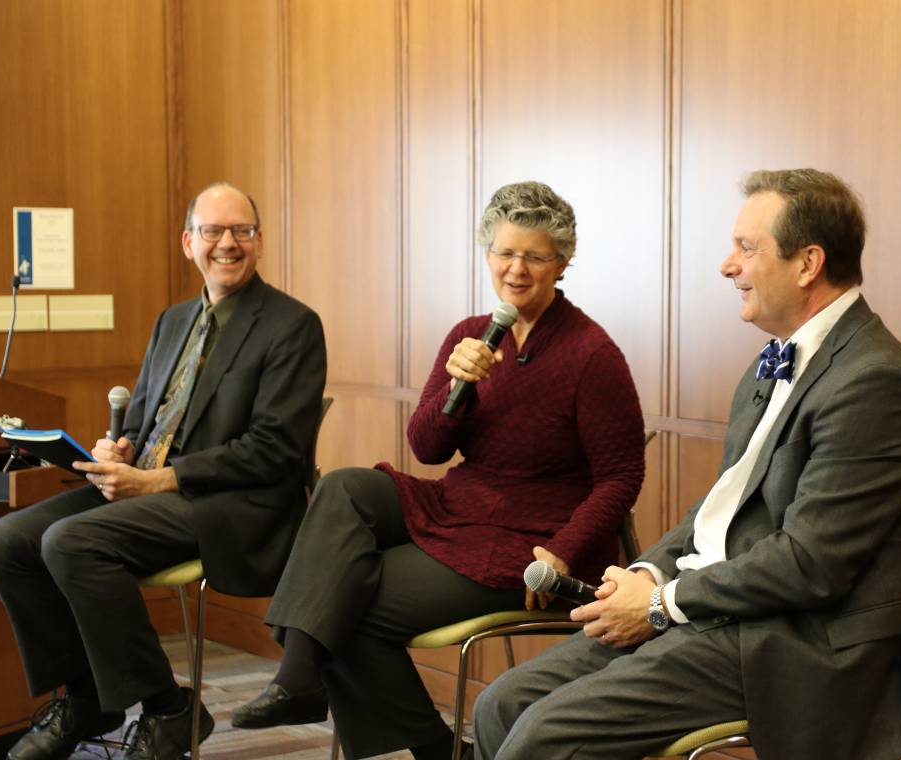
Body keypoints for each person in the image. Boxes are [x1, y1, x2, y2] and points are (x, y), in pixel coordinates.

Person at [472, 169, 901, 760]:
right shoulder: (774, 361)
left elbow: (811, 564)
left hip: (795, 641)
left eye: (747, 248)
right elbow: (721, 512)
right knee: (501, 705)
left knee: (545, 738)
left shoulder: (875, 381)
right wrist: (648, 574)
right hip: (716, 609)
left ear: (807, 264)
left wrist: (661, 603)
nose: (728, 265)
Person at [230, 181, 646, 760]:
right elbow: (425, 447)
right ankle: (303, 680)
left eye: (534, 256)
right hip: (462, 506)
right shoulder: (470, 334)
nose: (516, 269)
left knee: (347, 607)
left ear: (563, 262)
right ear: (486, 255)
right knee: (345, 486)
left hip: (531, 540)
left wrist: (563, 550)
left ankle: (428, 747)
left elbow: (621, 479)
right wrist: (458, 387)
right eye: (504, 252)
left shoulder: (592, 354)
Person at [0, 182, 328, 760]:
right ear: (187, 243)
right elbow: (144, 422)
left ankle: (168, 709)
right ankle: (89, 696)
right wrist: (117, 449)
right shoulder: (172, 321)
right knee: (7, 539)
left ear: (260, 242)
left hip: (235, 505)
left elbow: (274, 449)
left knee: (72, 541)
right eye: (213, 231)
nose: (228, 243)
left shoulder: (292, 325)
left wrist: (158, 479)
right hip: (144, 490)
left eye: (241, 230)